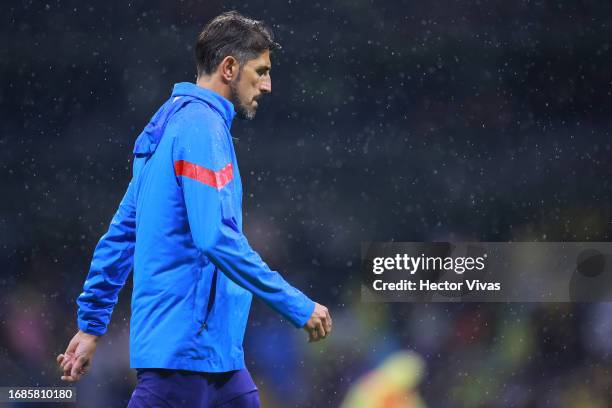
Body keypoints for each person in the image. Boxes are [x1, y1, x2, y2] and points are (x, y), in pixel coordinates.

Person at [56, 11, 332, 407]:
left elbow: (122, 234)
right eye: (262, 71)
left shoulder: (166, 124)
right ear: (229, 67)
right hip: (186, 356)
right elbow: (215, 237)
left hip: (218, 360)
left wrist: (91, 326)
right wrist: (296, 305)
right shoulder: (203, 128)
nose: (268, 84)